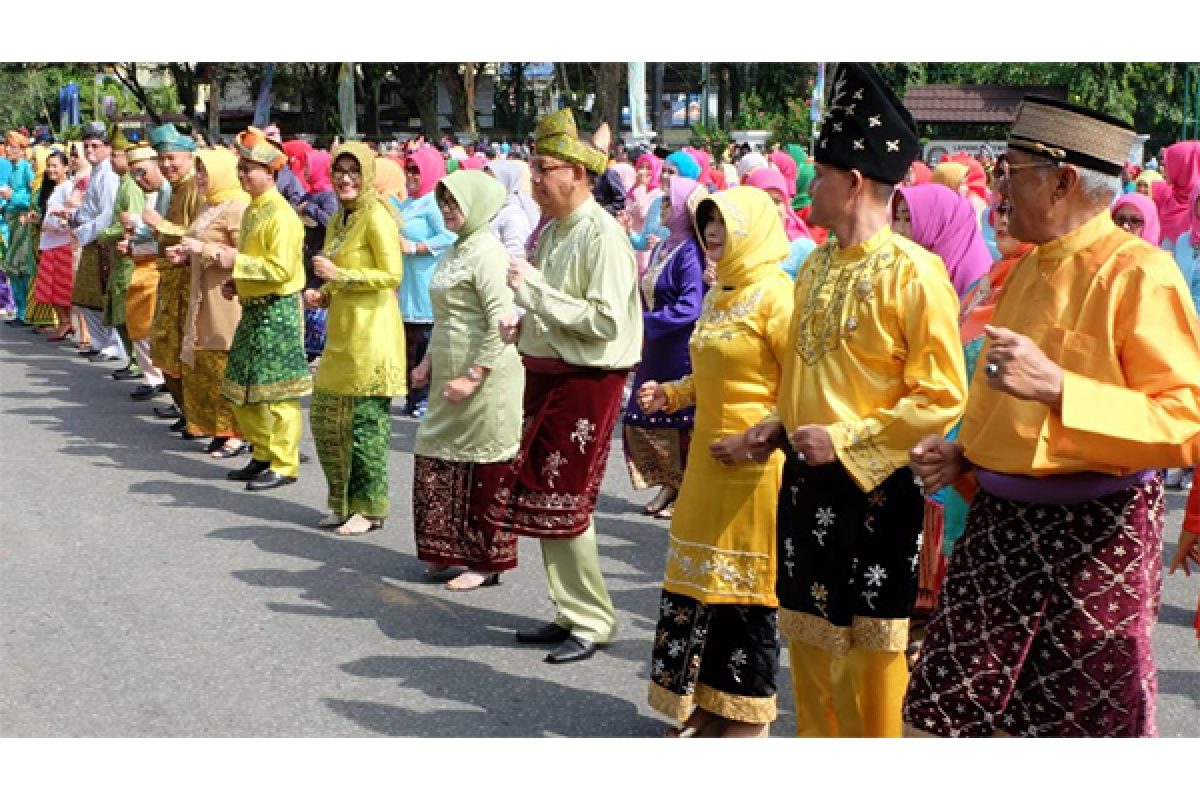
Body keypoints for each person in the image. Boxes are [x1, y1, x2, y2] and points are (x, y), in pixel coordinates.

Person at [905, 96, 1200, 738]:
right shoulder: (1025, 269)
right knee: (945, 711)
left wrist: (1064, 387)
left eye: (1013, 170)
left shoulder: (1141, 276)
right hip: (1000, 524)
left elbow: (1185, 420)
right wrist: (965, 455)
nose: (1000, 189)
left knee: (1078, 722)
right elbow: (1003, 399)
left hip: (1097, 534)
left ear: (1063, 180)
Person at [742, 62, 969, 738]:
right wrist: (778, 423)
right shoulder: (812, 265)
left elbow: (941, 394)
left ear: (855, 181)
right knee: (809, 645)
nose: (809, 187)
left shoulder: (916, 274)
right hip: (805, 486)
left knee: (872, 656)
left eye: (819, 173)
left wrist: (845, 440)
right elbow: (808, 373)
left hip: (875, 494)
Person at [484, 108, 643, 665]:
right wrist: (524, 321)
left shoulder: (602, 235)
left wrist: (533, 295)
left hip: (586, 381)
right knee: (544, 500)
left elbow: (605, 323)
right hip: (549, 373)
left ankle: (593, 618)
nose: (534, 180)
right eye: (532, 168)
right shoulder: (552, 230)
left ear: (578, 173)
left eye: (544, 168)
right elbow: (553, 305)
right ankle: (570, 609)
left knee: (568, 502)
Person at [640, 186, 795, 738]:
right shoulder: (720, 290)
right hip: (706, 466)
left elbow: (799, 391)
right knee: (701, 584)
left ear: (751, 228)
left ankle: (747, 719)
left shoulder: (778, 296)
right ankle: (706, 704)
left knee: (745, 592)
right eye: (707, 222)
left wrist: (756, 440)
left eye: (724, 223)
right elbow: (712, 374)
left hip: (754, 469)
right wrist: (675, 394)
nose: (712, 233)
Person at [411, 170, 524, 591]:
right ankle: (445, 550)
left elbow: (504, 324)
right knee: (438, 458)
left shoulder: (488, 255)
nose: (447, 210)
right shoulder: (456, 251)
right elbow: (445, 319)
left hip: (486, 379)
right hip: (449, 375)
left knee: (484, 468)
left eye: (454, 202)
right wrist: (426, 364)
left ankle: (485, 561)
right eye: (443, 202)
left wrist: (474, 377)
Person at [302, 143, 406, 533]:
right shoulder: (339, 219)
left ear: (367, 176)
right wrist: (323, 294)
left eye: (354, 171)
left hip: (372, 333)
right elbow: (337, 272)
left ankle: (371, 507)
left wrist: (338, 277)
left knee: (365, 427)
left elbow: (392, 275)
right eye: (340, 171)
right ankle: (341, 502)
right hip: (342, 332)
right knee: (328, 420)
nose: (346, 179)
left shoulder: (376, 216)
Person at [220, 127, 312, 492]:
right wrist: (238, 282)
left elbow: (280, 271)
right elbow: (257, 266)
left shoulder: (281, 216)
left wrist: (234, 262)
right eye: (240, 168)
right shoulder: (254, 210)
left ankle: (284, 462)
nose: (243, 175)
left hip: (278, 310)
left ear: (270, 173)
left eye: (249, 169)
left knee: (278, 392)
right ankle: (262, 451)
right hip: (254, 307)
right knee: (241, 385)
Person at [622, 176, 707, 520]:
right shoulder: (665, 245)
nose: (664, 208)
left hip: (676, 347)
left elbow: (691, 306)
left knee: (676, 419)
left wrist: (648, 323)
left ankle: (683, 488)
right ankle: (669, 484)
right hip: (655, 344)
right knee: (644, 414)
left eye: (671, 203)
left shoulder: (690, 253)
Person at [166, 148, 249, 457]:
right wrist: (186, 255)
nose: (200, 178)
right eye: (198, 172)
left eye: (206, 172)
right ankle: (217, 427)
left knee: (225, 364)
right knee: (205, 363)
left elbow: (246, 257)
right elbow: (200, 244)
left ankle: (236, 433)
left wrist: (203, 249)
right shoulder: (208, 205)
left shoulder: (237, 207)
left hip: (225, 297)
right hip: (202, 294)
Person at [144, 123, 202, 435]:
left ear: (189, 156)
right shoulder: (176, 189)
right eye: (162, 159)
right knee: (166, 348)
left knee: (184, 349)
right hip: (170, 277)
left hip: (188, 281)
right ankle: (187, 411)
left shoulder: (195, 188)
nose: (167, 165)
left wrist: (161, 226)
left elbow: (198, 236)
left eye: (172, 158)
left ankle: (197, 415)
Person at [397, 147, 456, 419]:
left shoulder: (433, 202)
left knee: (425, 341)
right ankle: (412, 395)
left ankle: (425, 397)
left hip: (426, 281)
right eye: (407, 169)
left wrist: (416, 247)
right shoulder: (409, 202)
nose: (410, 176)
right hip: (407, 283)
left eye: (416, 170)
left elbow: (449, 236)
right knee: (409, 342)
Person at [65, 122, 125, 365]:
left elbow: (107, 215)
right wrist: (75, 219)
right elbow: (91, 211)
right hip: (92, 240)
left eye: (95, 145)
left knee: (104, 296)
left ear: (108, 148)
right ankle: (100, 343)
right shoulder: (98, 171)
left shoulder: (109, 174)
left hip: (103, 242)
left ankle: (115, 345)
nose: (90, 150)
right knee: (86, 297)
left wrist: (82, 232)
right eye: (86, 145)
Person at [121, 144, 170, 402]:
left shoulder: (172, 191)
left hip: (165, 269)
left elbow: (169, 235)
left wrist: (136, 244)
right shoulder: (157, 192)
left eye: (143, 172)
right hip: (148, 265)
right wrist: (132, 245)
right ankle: (155, 377)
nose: (140, 180)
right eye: (134, 176)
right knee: (141, 324)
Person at [892, 183, 994, 300]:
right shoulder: (912, 266)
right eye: (897, 219)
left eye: (908, 219)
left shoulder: (976, 278)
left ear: (939, 222)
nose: (898, 229)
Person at [30, 149, 75, 340]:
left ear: (66, 167)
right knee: (51, 286)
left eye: (55, 166)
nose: (50, 170)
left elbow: (69, 216)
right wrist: (40, 220)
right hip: (49, 242)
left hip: (62, 241)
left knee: (63, 286)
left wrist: (54, 225)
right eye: (48, 166)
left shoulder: (69, 188)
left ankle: (67, 321)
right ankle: (64, 321)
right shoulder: (53, 188)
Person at [1153, 141, 1200, 249]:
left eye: (1168, 164)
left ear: (1182, 166)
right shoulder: (1166, 194)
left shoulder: (1195, 203)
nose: (1163, 169)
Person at [484, 160, 534, 258]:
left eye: (491, 182)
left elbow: (515, 257)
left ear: (506, 183)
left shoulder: (514, 217)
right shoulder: (494, 209)